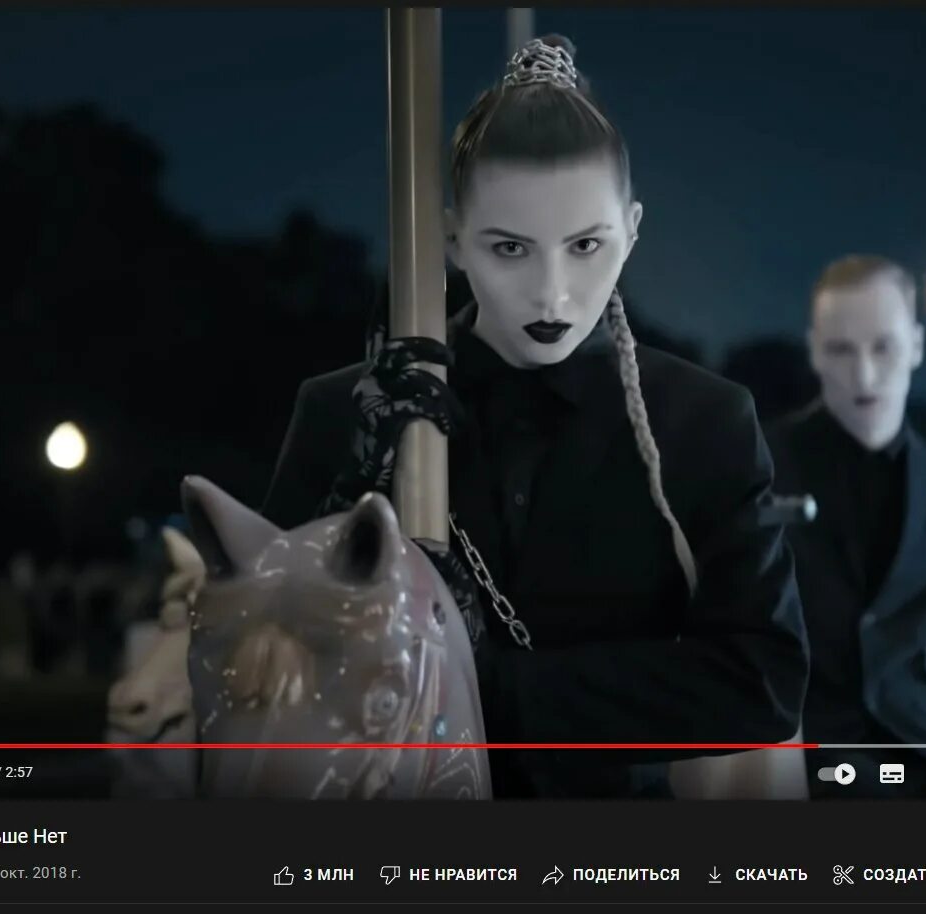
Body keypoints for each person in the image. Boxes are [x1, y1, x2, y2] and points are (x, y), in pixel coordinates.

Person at [259, 35, 809, 798]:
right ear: (453, 240)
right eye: (510, 248)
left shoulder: (704, 421)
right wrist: (353, 482)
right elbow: (268, 655)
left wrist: (489, 693)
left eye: (586, 245)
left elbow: (764, 681)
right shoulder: (343, 413)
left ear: (632, 231)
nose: (553, 293)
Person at [764, 254, 926, 798]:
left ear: (917, 346)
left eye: (882, 347)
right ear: (815, 351)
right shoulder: (759, 466)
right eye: (841, 350)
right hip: (799, 764)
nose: (863, 375)